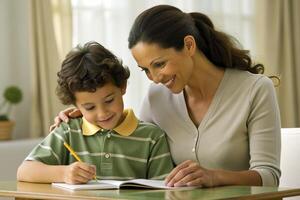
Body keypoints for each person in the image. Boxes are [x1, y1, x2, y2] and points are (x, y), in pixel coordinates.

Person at [51, 5, 281, 187]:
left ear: (189, 45)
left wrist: (214, 177)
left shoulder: (255, 90)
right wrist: (81, 116)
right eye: (146, 70)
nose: (155, 78)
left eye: (159, 64)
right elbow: (137, 145)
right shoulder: (156, 97)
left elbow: (268, 176)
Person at [17, 41, 174, 184]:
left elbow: (164, 189)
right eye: (90, 107)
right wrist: (64, 173)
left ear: (122, 87)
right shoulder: (69, 130)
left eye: (109, 101)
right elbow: (24, 171)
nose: (102, 113)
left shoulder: (152, 137)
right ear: (76, 104)